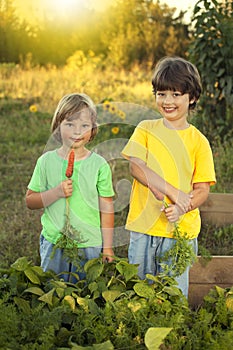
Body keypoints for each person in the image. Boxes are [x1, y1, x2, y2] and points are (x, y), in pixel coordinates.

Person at [121, 56, 216, 297]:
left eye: (176, 95)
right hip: (144, 226)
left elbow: (202, 190)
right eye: (161, 94)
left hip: (180, 230)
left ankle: (170, 333)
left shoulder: (199, 142)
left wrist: (184, 206)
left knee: (172, 294)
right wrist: (173, 193)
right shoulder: (145, 129)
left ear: (192, 97)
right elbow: (136, 167)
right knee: (139, 291)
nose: (167, 101)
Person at [26, 93, 115, 281]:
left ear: (93, 130)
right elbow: (30, 201)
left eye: (84, 126)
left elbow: (107, 208)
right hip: (55, 241)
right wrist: (55, 193)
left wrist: (107, 247)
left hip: (88, 242)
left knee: (84, 293)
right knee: (53, 289)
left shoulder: (99, 165)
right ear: (58, 127)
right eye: (70, 124)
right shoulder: (46, 162)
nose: (77, 132)